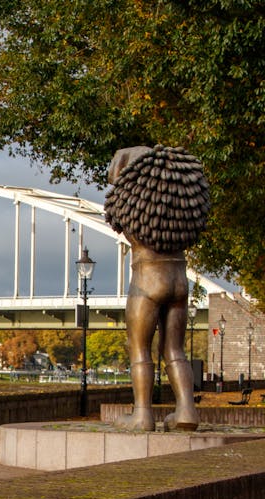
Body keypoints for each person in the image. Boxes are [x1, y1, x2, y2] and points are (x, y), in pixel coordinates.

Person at [104, 145, 210, 431]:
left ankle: (142, 414)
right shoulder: (181, 217)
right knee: (174, 348)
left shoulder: (135, 215)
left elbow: (116, 216)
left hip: (147, 281)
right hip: (178, 281)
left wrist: (122, 174)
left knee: (139, 348)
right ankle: (187, 410)